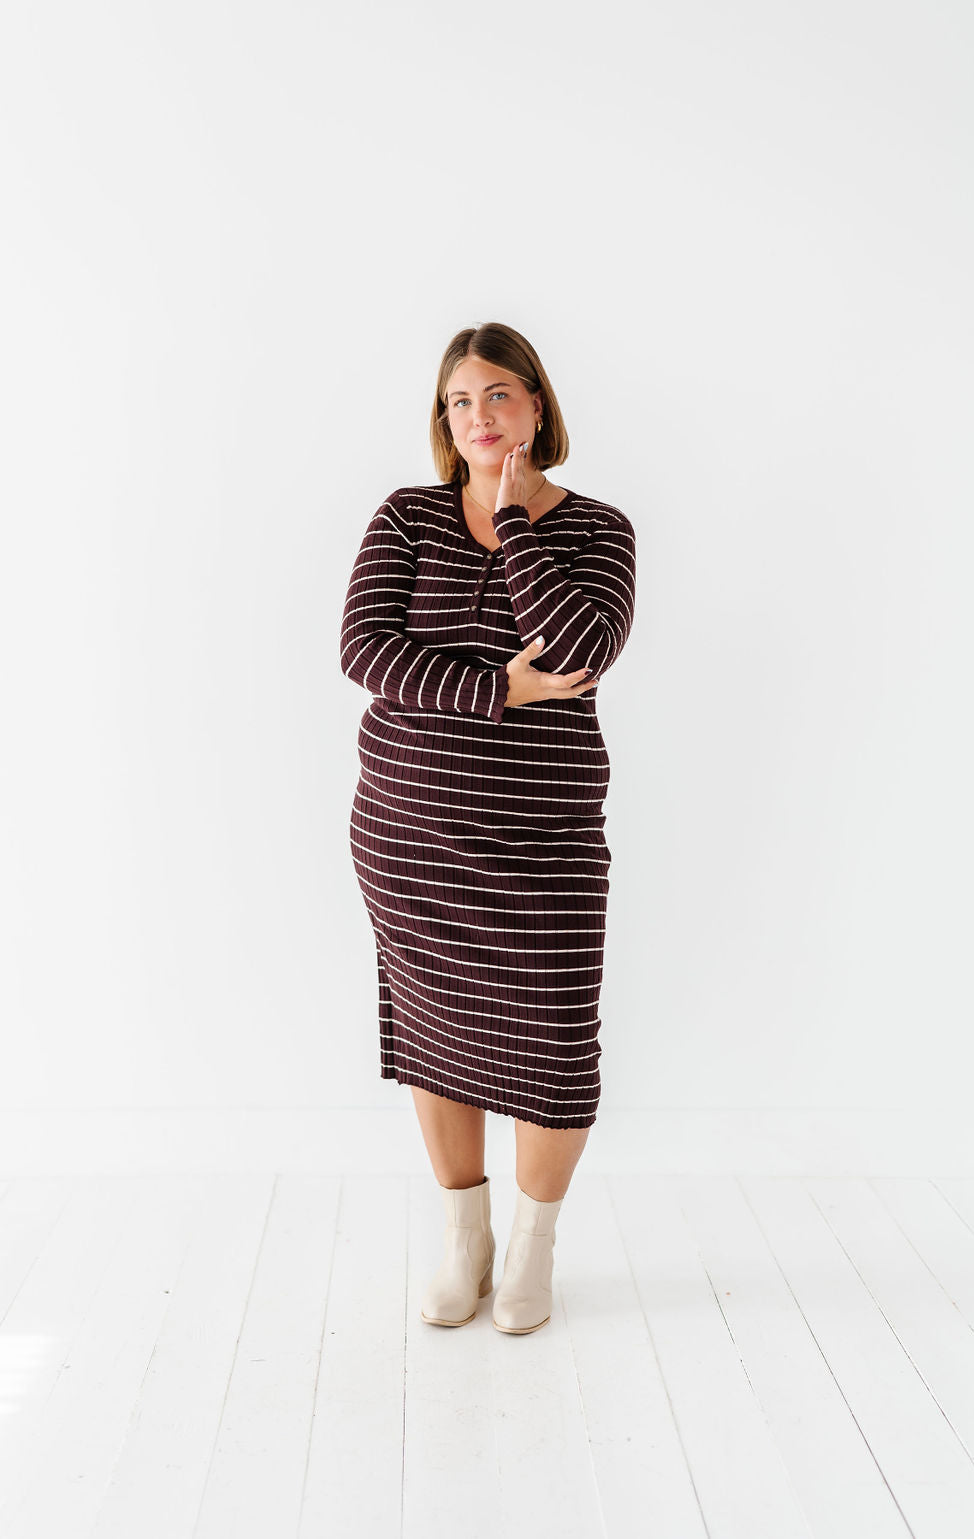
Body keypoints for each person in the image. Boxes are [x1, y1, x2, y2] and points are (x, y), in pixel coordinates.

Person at [339, 322, 636, 1333]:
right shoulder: (408, 516)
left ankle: (532, 1249)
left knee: (556, 1044)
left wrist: (513, 521)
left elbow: (579, 644)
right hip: (408, 834)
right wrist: (498, 689)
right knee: (436, 1032)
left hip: (544, 840)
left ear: (536, 406)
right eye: (460, 401)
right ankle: (465, 1240)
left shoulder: (597, 530)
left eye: (498, 394)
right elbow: (364, 652)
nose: (479, 415)